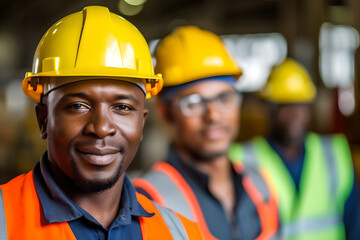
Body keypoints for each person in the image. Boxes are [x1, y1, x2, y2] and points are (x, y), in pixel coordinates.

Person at [0, 6, 205, 239]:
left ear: (142, 123)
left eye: (122, 107)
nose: (101, 128)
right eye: (78, 106)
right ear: (43, 119)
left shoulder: (181, 233)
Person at [133, 25, 279, 240]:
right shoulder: (145, 201)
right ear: (166, 113)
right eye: (193, 102)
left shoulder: (260, 185)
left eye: (224, 98)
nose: (214, 116)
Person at [229, 58, 360, 240]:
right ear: (269, 109)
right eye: (285, 105)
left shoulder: (335, 153)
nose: (295, 113)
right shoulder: (242, 157)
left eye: (301, 104)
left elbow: (355, 223)